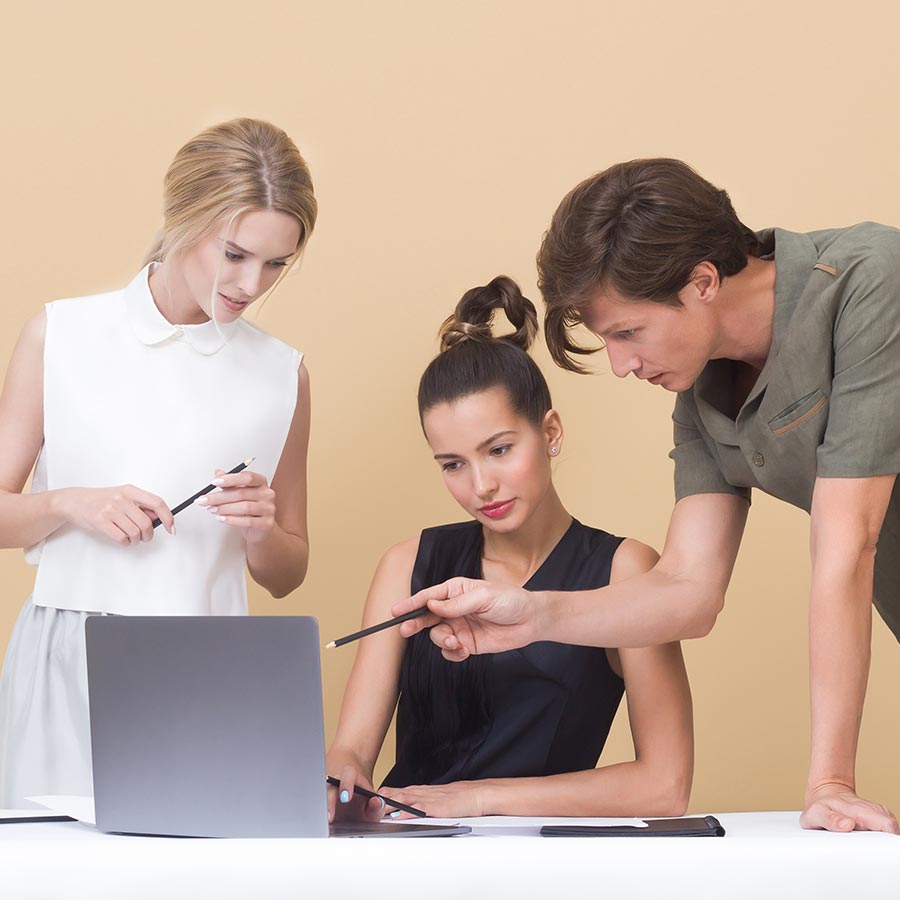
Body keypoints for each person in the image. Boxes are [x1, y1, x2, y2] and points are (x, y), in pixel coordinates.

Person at [393, 159, 900, 834]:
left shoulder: (871, 282)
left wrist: (830, 781)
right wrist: (532, 614)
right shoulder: (700, 386)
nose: (622, 365)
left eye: (627, 333)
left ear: (702, 281)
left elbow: (848, 546)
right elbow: (689, 591)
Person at [0, 118, 317, 807]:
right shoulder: (61, 334)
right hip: (67, 657)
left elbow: (287, 574)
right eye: (234, 254)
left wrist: (262, 530)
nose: (251, 283)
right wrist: (68, 503)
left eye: (275, 264)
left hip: (209, 669)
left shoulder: (280, 374)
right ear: (182, 220)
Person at [326, 276, 692, 822]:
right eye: (452, 464)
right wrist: (343, 781)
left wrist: (475, 799)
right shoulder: (407, 566)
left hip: (536, 862)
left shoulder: (625, 571)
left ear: (550, 433)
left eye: (498, 450)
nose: (481, 486)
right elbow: (351, 751)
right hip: (405, 852)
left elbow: (664, 786)